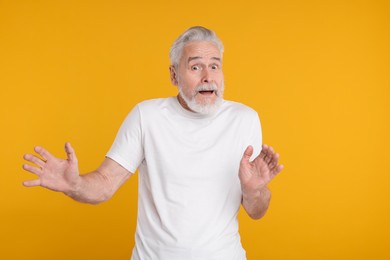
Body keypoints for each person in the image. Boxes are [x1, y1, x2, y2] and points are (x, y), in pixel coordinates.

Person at [22, 26, 284, 260]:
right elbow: (104, 185)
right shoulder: (146, 116)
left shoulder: (245, 119)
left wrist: (253, 190)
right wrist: (74, 184)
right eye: (195, 67)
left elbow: (256, 211)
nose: (208, 76)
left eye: (214, 66)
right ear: (173, 75)